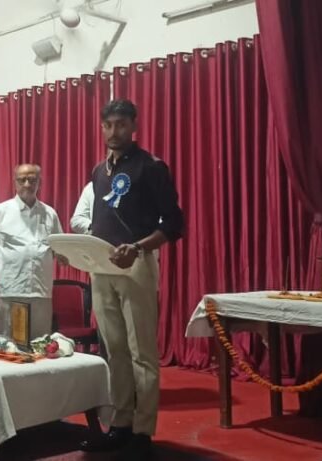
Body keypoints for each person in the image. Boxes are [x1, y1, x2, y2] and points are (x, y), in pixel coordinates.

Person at [79, 100, 184, 458]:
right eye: (108, 125)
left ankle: (143, 430)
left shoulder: (151, 167)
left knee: (142, 353)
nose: (114, 132)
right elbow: (99, 222)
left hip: (136, 263)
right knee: (115, 350)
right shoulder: (99, 171)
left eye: (121, 125)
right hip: (101, 266)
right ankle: (121, 423)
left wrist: (137, 247)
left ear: (134, 126)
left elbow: (173, 224)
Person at [0, 164, 64, 337]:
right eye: (22, 180)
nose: (27, 184)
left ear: (39, 183)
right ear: (15, 182)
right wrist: (4, 272)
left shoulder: (50, 213)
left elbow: (58, 249)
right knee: (11, 346)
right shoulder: (0, 211)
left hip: (40, 291)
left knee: (40, 345)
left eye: (32, 180)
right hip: (9, 290)